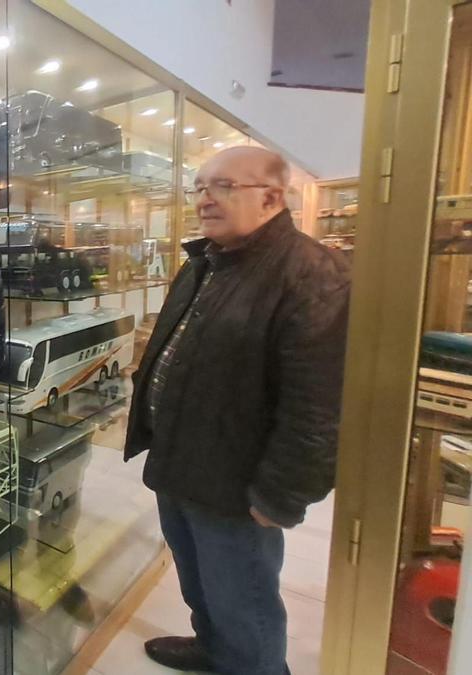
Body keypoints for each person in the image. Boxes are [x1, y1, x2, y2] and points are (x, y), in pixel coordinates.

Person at [125, 147, 351, 675]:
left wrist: (280, 497)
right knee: (199, 582)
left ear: (271, 197)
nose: (204, 199)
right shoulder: (205, 260)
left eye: (223, 186)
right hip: (180, 461)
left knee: (244, 602)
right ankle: (212, 648)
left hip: (237, 484)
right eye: (199, 187)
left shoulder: (312, 275)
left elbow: (318, 408)